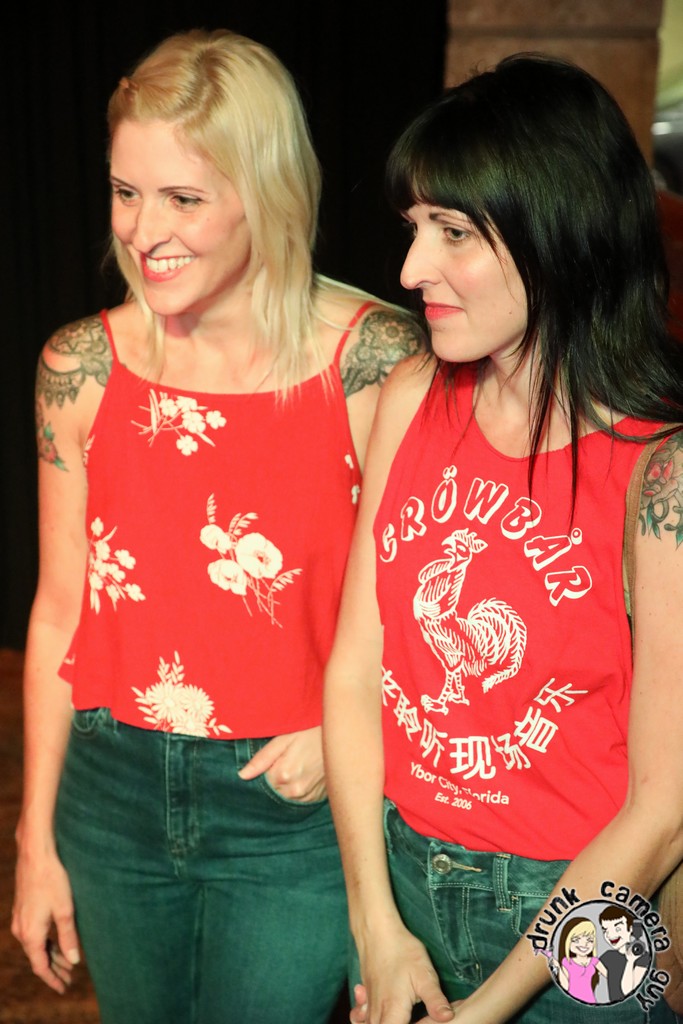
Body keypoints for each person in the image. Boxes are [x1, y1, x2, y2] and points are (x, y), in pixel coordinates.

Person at [11, 27, 423, 1024]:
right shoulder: (80, 367)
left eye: (183, 198)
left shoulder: (376, 363)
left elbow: (427, 608)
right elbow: (60, 610)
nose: (142, 229)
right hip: (109, 794)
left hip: (294, 807)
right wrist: (34, 839)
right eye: (126, 192)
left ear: (266, 194)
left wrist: (346, 732)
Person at [323, 52, 683, 1024]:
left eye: (452, 232)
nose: (410, 270)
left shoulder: (660, 471)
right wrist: (374, 922)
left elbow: (660, 815)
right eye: (413, 229)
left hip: (590, 916)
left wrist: (486, 1010)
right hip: (403, 875)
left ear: (557, 231)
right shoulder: (410, 395)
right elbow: (357, 668)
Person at [599, 907, 651, 1003]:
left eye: (617, 928)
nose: (610, 935)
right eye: (605, 930)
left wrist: (630, 961)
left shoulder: (643, 957)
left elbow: (628, 991)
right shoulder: (608, 956)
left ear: (630, 929)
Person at [550, 917, 607, 1004]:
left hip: (590, 1001)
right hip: (571, 1002)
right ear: (567, 941)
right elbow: (565, 986)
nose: (584, 944)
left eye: (590, 940)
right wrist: (558, 967)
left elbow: (610, 976)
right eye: (576, 940)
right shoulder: (567, 962)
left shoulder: (594, 961)